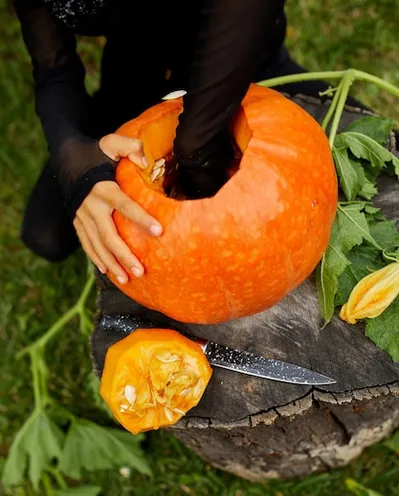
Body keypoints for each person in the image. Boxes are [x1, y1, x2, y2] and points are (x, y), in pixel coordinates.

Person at [13, 0, 364, 284]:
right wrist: (72, 157)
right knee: (45, 234)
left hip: (239, 71)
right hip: (134, 80)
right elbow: (52, 64)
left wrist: (196, 150)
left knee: (374, 162)